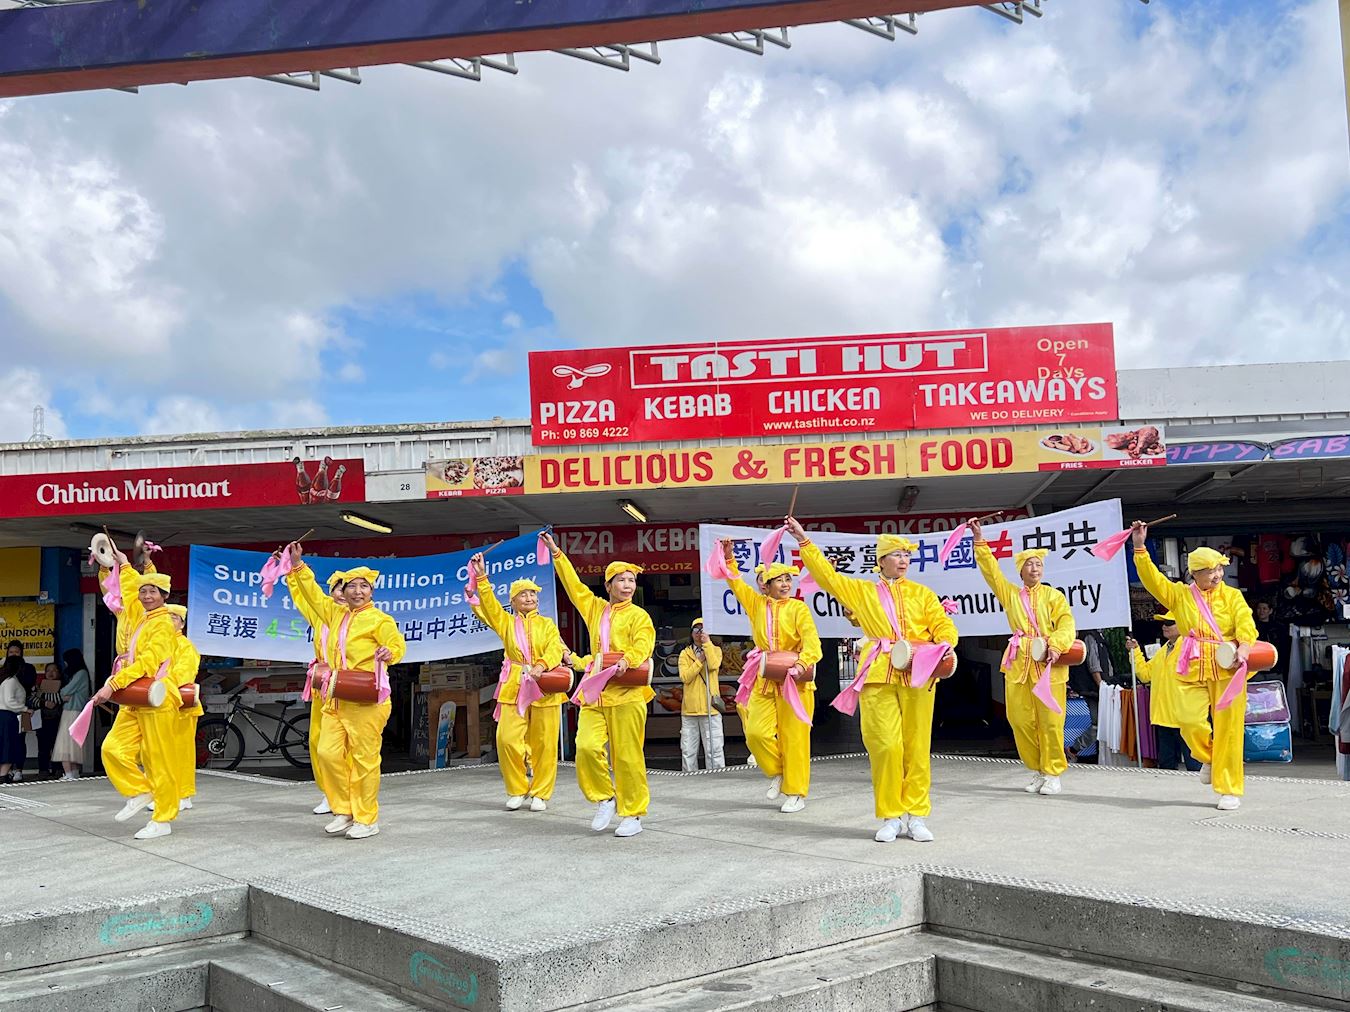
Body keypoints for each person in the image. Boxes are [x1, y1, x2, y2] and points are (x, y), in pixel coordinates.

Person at [786, 517, 958, 844]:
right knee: (885, 746)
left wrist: (946, 644)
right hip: (878, 673)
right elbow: (827, 576)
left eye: (907, 555)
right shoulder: (862, 592)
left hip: (919, 672)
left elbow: (943, 625)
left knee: (916, 746)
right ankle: (891, 815)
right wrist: (804, 542)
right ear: (881, 561)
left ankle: (917, 815)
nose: (904, 560)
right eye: (897, 555)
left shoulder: (922, 594)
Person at [1132, 524, 1257, 810]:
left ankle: (1229, 789)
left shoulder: (1233, 596)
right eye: (1210, 571)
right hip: (1193, 664)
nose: (1217, 575)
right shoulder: (1180, 595)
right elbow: (1153, 580)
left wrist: (1244, 646)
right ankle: (1208, 757)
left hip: (1227, 665)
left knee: (1229, 729)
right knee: (1188, 721)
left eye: (1219, 569)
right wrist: (1140, 547)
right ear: (1195, 574)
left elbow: (1245, 623)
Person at [285, 547, 407, 840]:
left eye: (364, 586)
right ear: (343, 591)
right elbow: (312, 595)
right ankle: (344, 809)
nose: (357, 591)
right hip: (336, 697)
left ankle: (366, 818)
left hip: (365, 700)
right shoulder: (335, 613)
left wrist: (390, 652)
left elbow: (397, 645)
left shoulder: (380, 620)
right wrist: (298, 565)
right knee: (327, 753)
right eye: (352, 586)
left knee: (365, 759)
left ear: (371, 591)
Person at [542, 532, 655, 839]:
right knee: (586, 747)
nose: (627, 585)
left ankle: (633, 813)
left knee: (627, 757)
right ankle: (605, 798)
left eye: (631, 580)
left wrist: (628, 659)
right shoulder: (595, 609)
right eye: (621, 580)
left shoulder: (639, 616)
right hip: (596, 694)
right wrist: (557, 554)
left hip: (628, 695)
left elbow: (644, 644)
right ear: (608, 585)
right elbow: (573, 586)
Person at [970, 518, 1076, 796]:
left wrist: (1056, 644)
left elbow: (1067, 624)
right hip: (1019, 663)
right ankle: (1038, 769)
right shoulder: (1011, 595)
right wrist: (980, 541)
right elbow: (991, 572)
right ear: (1020, 570)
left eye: (1038, 564)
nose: (1035, 568)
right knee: (1019, 719)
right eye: (1029, 564)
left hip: (1048, 664)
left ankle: (1053, 772)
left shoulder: (1054, 597)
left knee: (1050, 721)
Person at [718, 543, 823, 813]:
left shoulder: (798, 609)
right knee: (756, 733)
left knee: (795, 738)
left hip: (795, 679)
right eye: (779, 580)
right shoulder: (756, 604)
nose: (786, 584)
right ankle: (778, 771)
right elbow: (735, 583)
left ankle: (796, 792)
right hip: (765, 677)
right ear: (765, 586)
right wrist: (729, 560)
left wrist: (802, 663)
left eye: (788, 579)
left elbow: (812, 642)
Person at [91, 563, 184, 840]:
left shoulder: (162, 624)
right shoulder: (140, 616)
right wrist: (114, 564)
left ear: (164, 595)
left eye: (152, 591)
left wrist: (113, 684)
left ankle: (163, 819)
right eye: (143, 591)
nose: (146, 596)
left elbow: (147, 663)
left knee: (158, 761)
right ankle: (139, 791)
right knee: (112, 748)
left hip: (156, 697)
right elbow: (125, 589)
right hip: (135, 695)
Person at [468, 556, 567, 813]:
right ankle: (517, 789)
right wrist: (482, 577)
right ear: (512, 601)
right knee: (507, 739)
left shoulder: (547, 624)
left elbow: (555, 648)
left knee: (545, 743)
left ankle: (541, 793)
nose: (529, 598)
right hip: (515, 684)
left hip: (544, 684)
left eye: (532, 594)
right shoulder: (506, 622)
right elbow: (489, 606)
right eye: (523, 594)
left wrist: (541, 665)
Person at [289, 568, 350, 816]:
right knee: (318, 740)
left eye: (346, 588)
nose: (342, 594)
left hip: (348, 687)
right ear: (331, 592)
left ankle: (349, 793)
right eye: (338, 589)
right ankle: (328, 792)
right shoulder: (320, 615)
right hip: (323, 687)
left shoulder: (359, 618)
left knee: (347, 743)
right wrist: (291, 573)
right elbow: (303, 595)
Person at [1127, 615, 1199, 772]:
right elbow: (1145, 674)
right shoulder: (1163, 650)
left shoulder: (1191, 647)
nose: (1164, 626)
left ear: (1183, 624)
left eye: (1169, 623)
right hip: (1164, 718)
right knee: (1167, 766)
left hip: (1185, 717)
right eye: (1163, 623)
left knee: (1194, 765)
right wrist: (1135, 651)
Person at [165, 605, 203, 810]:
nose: (169, 621)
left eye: (173, 618)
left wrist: (161, 686)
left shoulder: (185, 646)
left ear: (182, 624)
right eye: (166, 617)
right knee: (160, 752)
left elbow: (184, 673)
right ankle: (164, 793)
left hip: (181, 706)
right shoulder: (157, 644)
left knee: (181, 752)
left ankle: (183, 794)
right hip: (160, 705)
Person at [677, 619, 726, 773]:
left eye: (703, 629)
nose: (699, 633)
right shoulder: (685, 654)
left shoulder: (715, 650)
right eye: (696, 630)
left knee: (715, 749)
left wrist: (707, 645)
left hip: (711, 708)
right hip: (690, 710)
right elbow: (685, 677)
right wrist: (699, 661)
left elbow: (713, 665)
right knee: (688, 750)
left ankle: (716, 778)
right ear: (691, 633)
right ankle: (689, 778)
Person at [52, 650, 91, 780]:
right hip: (78, 712)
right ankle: (74, 772)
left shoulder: (80, 674)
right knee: (73, 744)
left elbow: (65, 691)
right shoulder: (83, 674)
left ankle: (68, 773)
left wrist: (64, 694)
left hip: (71, 712)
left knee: (64, 743)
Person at [5, 641, 36, 780]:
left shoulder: (28, 668)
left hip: (23, 709)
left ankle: (18, 769)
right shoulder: (3, 669)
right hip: (6, 711)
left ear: (22, 653)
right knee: (6, 741)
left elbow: (30, 685)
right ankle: (7, 769)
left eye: (16, 652)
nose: (14, 655)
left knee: (19, 740)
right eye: (11, 652)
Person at [0, 656, 30, 783]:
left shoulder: (6, 680)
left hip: (4, 716)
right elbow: (9, 701)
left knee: (5, 745)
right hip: (9, 716)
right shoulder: (11, 681)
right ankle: (3, 775)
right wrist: (25, 709)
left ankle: (3, 775)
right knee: (9, 746)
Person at [32, 663, 63, 777]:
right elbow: (32, 699)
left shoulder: (63, 686)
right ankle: (43, 770)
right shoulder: (39, 686)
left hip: (57, 720)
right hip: (42, 721)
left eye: (54, 670)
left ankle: (57, 769)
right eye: (48, 670)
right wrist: (44, 702)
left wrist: (46, 699)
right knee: (43, 747)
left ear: (59, 673)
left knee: (57, 746)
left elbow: (62, 698)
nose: (51, 673)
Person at [1253, 601, 1291, 685]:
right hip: (1257, 668)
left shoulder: (1279, 627)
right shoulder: (1251, 626)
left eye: (1264, 608)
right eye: (1259, 608)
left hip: (1274, 668)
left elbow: (1284, 648)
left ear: (1270, 611)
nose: (1261, 611)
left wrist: (1281, 666)